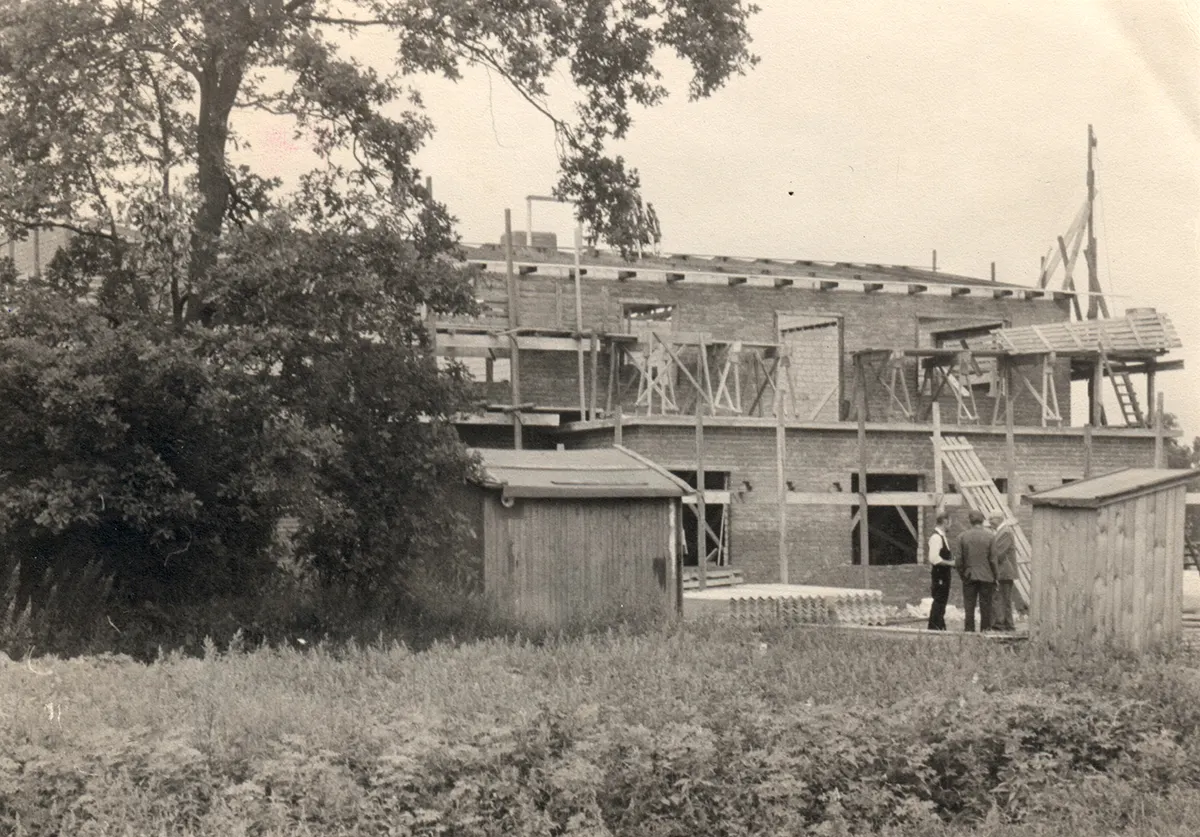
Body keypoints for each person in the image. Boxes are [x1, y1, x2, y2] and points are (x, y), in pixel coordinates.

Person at [956, 509, 998, 632]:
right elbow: (993, 559)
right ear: (983, 521)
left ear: (970, 521)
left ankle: (969, 632)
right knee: (986, 607)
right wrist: (995, 576)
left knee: (969, 606)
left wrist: (962, 574)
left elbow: (959, 559)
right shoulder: (991, 536)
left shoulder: (962, 536)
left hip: (969, 576)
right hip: (987, 576)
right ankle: (985, 632)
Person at [925, 511, 956, 630]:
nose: (951, 526)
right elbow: (934, 558)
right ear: (945, 522)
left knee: (942, 600)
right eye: (950, 523)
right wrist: (950, 563)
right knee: (939, 600)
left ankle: (939, 625)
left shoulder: (942, 537)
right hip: (940, 574)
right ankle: (934, 627)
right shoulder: (936, 537)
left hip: (943, 574)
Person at [989, 511, 1017, 631]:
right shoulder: (1002, 532)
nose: (989, 522)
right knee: (1004, 598)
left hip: (1004, 571)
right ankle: (1007, 625)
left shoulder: (1005, 532)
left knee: (1001, 598)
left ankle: (1002, 625)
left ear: (999, 519)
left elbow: (998, 553)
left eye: (991, 519)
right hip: (1004, 571)